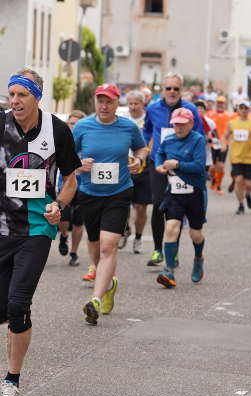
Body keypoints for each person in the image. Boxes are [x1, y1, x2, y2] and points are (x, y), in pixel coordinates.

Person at [0, 68, 80, 396]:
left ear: (37, 97)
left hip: (37, 228)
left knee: (17, 305)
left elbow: (71, 178)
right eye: (11, 95)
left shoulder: (57, 130)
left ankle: (11, 381)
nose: (15, 101)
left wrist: (59, 204)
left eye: (22, 95)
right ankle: (7, 319)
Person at [73, 84, 146, 325]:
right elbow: (68, 157)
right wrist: (79, 164)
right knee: (94, 247)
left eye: (109, 101)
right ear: (95, 102)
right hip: (89, 193)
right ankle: (109, 283)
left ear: (117, 103)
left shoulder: (128, 127)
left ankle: (94, 299)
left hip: (119, 192)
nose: (104, 106)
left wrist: (138, 160)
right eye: (100, 101)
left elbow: (141, 148)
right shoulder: (83, 127)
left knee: (108, 246)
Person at [142, 72, 203, 267]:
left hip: (182, 166)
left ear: (181, 90)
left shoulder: (190, 109)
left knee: (175, 208)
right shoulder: (152, 108)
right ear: (162, 90)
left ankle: (173, 252)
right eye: (168, 88)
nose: (172, 92)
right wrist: (145, 148)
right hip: (158, 162)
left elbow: (199, 135)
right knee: (159, 203)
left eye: (176, 88)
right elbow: (147, 130)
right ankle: (158, 250)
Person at [153, 108, 207, 289]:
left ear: (191, 124)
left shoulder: (198, 140)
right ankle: (168, 270)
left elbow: (199, 167)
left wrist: (177, 164)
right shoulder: (168, 140)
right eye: (176, 123)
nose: (179, 127)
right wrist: (160, 166)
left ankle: (198, 258)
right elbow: (159, 154)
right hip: (174, 192)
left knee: (195, 234)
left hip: (195, 192)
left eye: (183, 124)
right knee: (171, 227)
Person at [223, 100, 251, 214]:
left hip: (250, 158)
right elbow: (225, 136)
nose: (243, 110)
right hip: (236, 157)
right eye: (241, 108)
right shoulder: (232, 123)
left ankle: (248, 194)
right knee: (238, 180)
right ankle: (240, 204)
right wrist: (223, 145)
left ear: (249, 110)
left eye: (246, 108)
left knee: (248, 184)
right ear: (238, 110)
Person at [58, 110, 86, 268]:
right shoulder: (61, 140)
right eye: (70, 123)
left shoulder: (86, 140)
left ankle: (74, 252)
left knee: (78, 221)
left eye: (75, 124)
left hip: (83, 187)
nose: (72, 126)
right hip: (64, 188)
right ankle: (63, 236)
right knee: (64, 217)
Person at [125, 90, 150, 254]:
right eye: (131, 104)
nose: (133, 107)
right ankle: (124, 229)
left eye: (136, 104)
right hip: (124, 166)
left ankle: (138, 237)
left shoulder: (149, 120)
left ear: (143, 104)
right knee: (122, 204)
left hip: (144, 166)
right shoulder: (123, 119)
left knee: (140, 207)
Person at [209, 95, 233, 193]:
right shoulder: (210, 114)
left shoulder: (229, 116)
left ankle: (218, 185)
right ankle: (213, 179)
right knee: (212, 167)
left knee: (221, 166)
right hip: (212, 144)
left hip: (223, 143)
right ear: (216, 104)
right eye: (218, 102)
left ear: (225, 104)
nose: (220, 104)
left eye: (222, 103)